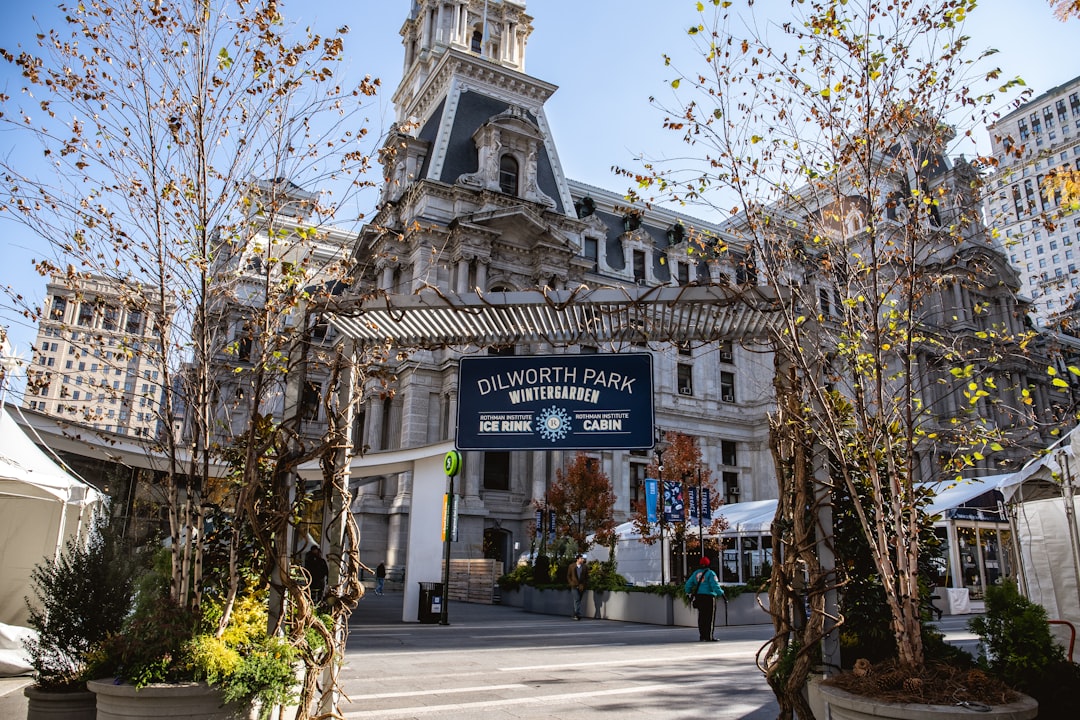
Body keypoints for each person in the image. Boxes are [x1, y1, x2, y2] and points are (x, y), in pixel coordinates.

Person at [684, 556, 724, 641]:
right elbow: (715, 585)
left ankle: (702, 636)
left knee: (701, 617)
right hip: (709, 597)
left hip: (699, 597)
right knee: (709, 617)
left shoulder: (695, 573)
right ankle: (709, 636)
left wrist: (689, 592)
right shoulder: (710, 573)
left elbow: (688, 584)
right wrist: (721, 593)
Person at [566, 554, 589, 620]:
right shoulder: (571, 566)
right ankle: (577, 614)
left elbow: (587, 577)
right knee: (577, 599)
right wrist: (571, 583)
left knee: (578, 601)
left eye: (583, 559)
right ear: (578, 559)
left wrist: (585, 584)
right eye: (581, 558)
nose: (583, 560)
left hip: (582, 586)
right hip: (574, 586)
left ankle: (575, 614)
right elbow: (568, 576)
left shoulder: (585, 567)